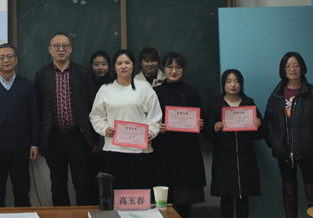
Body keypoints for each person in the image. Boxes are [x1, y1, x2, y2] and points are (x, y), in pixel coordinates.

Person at [264, 52, 313, 218]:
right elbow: (268, 121)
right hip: (284, 152)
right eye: (288, 66)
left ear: (302, 67)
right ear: (283, 70)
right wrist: (275, 141)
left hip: (308, 152)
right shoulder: (277, 95)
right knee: (288, 193)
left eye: (296, 65)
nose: (292, 69)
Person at [34, 32, 98, 206]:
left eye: (65, 46)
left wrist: (93, 139)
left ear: (70, 49)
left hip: (78, 136)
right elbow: (37, 110)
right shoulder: (41, 75)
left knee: (82, 184)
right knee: (58, 186)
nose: (60, 49)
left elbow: (93, 108)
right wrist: (40, 140)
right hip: (53, 138)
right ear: (50, 49)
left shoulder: (83, 74)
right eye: (56, 46)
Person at [0, 44, 39, 207]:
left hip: (21, 148)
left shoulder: (26, 85)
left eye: (10, 56)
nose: (6, 60)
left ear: (16, 60)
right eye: (2, 57)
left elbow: (33, 117)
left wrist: (34, 144)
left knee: (22, 194)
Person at [89, 49, 162, 190]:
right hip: (114, 148)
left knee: (140, 188)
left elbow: (155, 114)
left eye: (127, 63)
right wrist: (104, 129)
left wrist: (151, 132)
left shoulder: (144, 87)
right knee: (118, 189)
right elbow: (96, 115)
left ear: (133, 65)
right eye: (119, 63)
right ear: (114, 66)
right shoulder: (105, 89)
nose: (124, 66)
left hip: (140, 150)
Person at [203, 69, 266, 218]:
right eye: (229, 81)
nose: (233, 85)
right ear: (223, 84)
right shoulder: (215, 104)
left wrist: (258, 125)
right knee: (226, 196)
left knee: (243, 197)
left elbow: (260, 134)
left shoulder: (248, 104)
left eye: (237, 81)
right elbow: (207, 131)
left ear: (241, 85)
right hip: (223, 159)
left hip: (245, 159)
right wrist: (214, 128)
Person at [152, 52, 206, 218]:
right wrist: (156, 127)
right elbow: (147, 120)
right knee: (163, 200)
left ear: (183, 70)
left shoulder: (191, 92)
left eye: (178, 67)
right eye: (170, 67)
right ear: (163, 69)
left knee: (184, 201)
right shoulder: (155, 92)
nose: (174, 71)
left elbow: (202, 120)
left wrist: (200, 123)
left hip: (186, 153)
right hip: (162, 152)